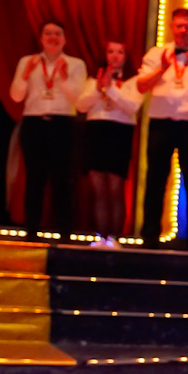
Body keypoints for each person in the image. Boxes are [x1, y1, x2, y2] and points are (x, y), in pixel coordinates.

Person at [135, 9, 188, 247]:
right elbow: (141, 86)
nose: (183, 30)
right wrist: (162, 68)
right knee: (155, 181)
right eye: (179, 26)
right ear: (172, 27)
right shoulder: (156, 53)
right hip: (161, 125)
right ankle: (149, 238)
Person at [9, 19, 87, 239]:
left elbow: (80, 102)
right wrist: (26, 75)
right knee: (34, 178)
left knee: (62, 180)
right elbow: (16, 96)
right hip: (34, 124)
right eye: (48, 33)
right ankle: (31, 230)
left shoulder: (76, 64)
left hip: (63, 125)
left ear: (64, 39)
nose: (53, 38)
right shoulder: (28, 61)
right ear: (41, 38)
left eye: (57, 34)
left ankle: (65, 233)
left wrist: (64, 78)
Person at [76, 40, 140, 246]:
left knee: (115, 188)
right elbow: (81, 106)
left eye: (120, 52)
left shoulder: (133, 80)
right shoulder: (93, 79)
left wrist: (110, 88)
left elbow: (132, 106)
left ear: (126, 56)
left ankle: (116, 238)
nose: (115, 56)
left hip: (119, 133)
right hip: (96, 131)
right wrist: (98, 89)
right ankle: (101, 237)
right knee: (99, 189)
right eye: (111, 51)